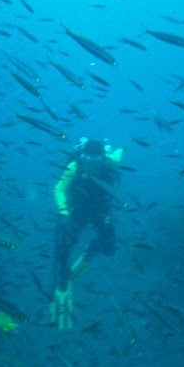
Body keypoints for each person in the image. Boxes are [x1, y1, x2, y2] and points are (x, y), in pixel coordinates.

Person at [51, 137, 124, 330]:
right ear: (84, 157)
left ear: (103, 157)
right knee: (64, 246)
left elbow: (118, 154)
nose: (94, 165)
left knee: (109, 248)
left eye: (98, 160)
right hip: (77, 209)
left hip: (101, 209)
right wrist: (64, 215)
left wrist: (121, 147)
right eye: (90, 160)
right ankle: (62, 277)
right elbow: (59, 188)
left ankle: (92, 247)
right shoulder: (75, 166)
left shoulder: (109, 161)